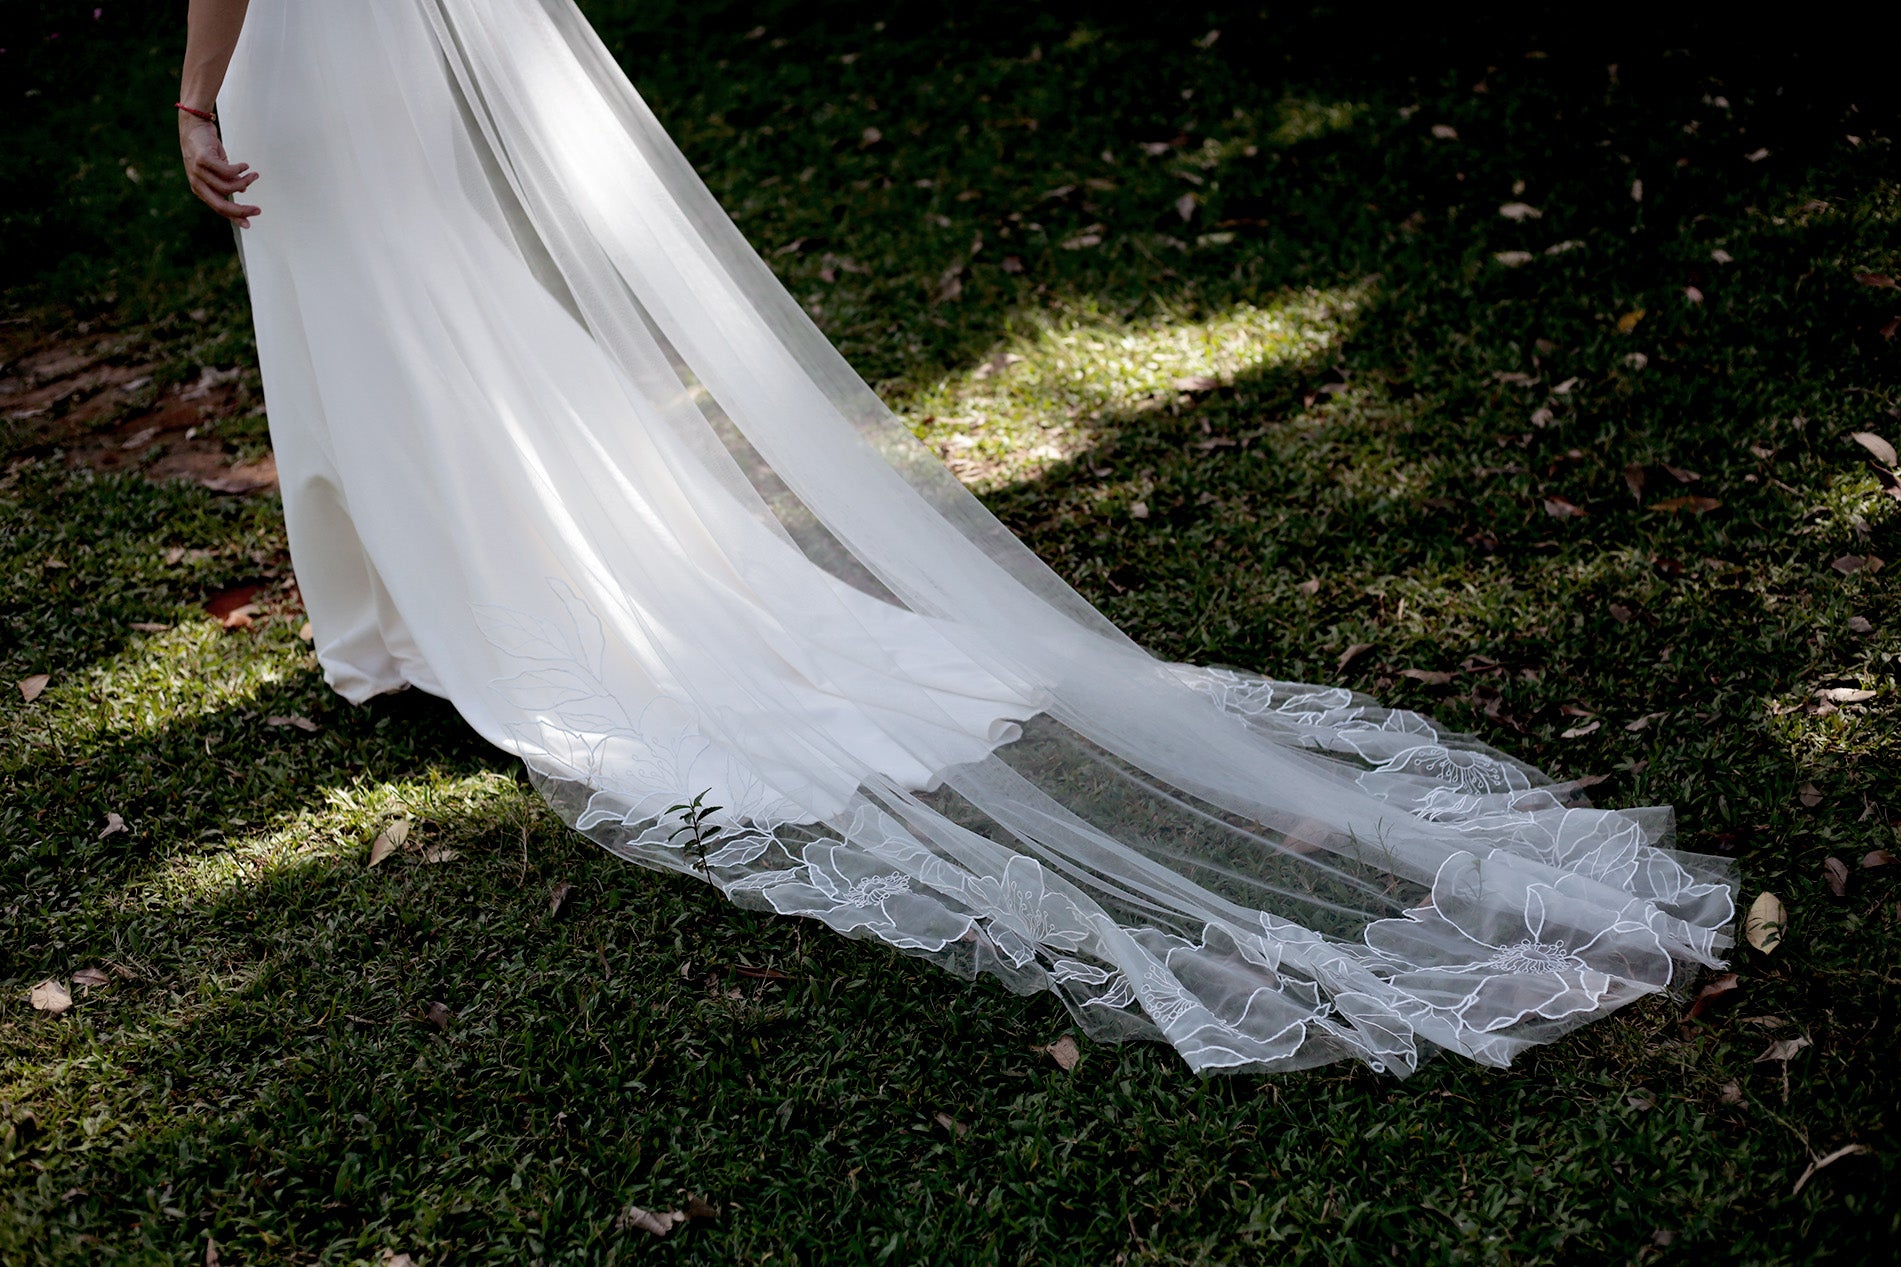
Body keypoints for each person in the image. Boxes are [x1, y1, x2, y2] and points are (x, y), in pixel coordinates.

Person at [177, 0, 1735, 1075]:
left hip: (298, 63)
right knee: (439, 317)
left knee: (375, 334)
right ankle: (425, 602)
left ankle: (422, 612)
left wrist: (193, 90)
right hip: (400, 55)